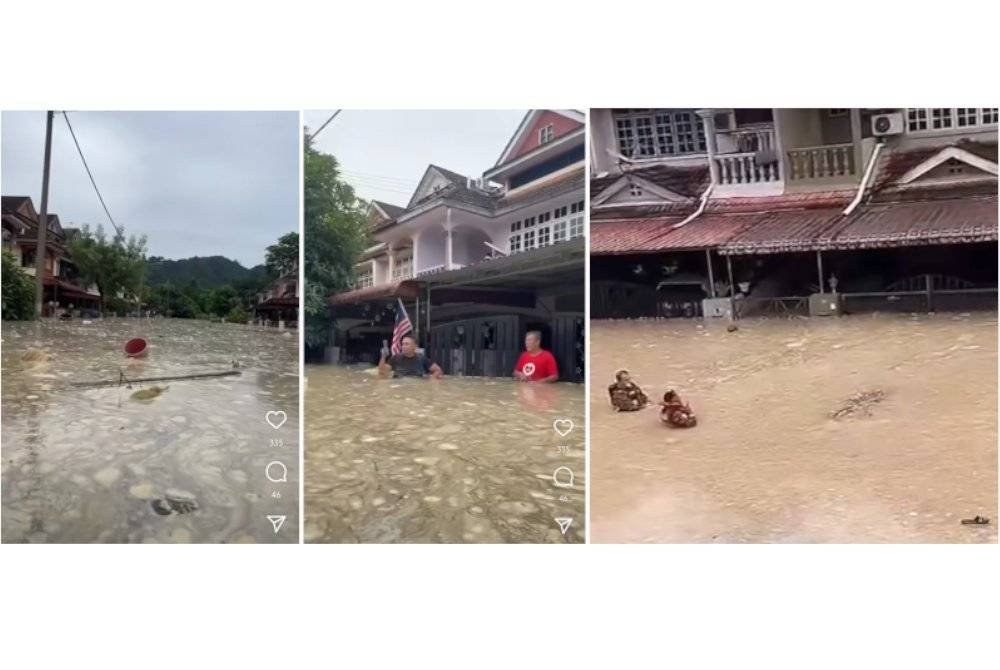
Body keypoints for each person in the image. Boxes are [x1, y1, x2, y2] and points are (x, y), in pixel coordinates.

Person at [378, 334, 443, 379]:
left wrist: (431, 381)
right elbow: (382, 372)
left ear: (415, 346)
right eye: (403, 344)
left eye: (407, 344)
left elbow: (438, 370)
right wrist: (383, 356)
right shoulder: (395, 358)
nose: (403, 346)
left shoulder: (422, 359)